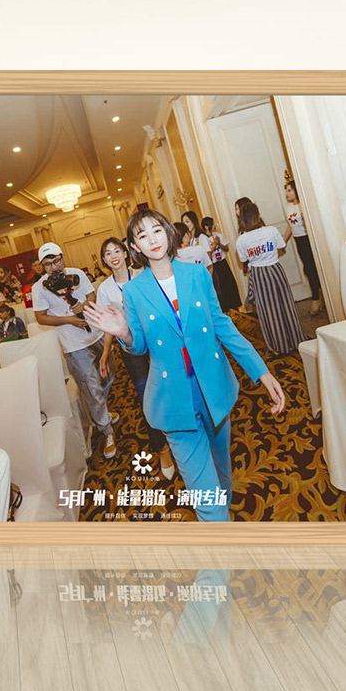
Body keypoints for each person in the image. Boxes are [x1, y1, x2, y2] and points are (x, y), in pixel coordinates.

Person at [83, 209, 286, 522]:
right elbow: (140, 345)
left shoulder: (197, 274)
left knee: (222, 468)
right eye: (141, 236)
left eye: (156, 230)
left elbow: (222, 325)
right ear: (134, 247)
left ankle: (224, 515)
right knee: (205, 496)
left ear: (167, 231)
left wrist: (262, 371)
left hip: (213, 386)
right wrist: (124, 333)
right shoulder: (134, 291)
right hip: (173, 398)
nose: (152, 240)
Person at [96, 237, 176, 479]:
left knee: (171, 385)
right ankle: (162, 448)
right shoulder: (105, 290)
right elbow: (109, 326)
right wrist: (106, 352)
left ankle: (179, 434)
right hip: (129, 347)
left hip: (156, 339)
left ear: (125, 252)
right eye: (108, 253)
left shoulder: (143, 274)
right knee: (146, 395)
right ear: (104, 260)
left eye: (116, 250)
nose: (113, 256)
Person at [32, 242, 117, 460]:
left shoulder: (76, 274)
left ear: (62, 257)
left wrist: (84, 306)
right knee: (91, 387)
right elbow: (40, 317)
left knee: (109, 376)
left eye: (56, 261)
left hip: (96, 333)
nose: (54, 267)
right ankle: (106, 429)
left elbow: (91, 296)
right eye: (48, 264)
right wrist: (69, 319)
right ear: (42, 267)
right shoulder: (39, 288)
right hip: (74, 345)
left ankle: (101, 412)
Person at [236, 202, 307, 355]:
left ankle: (279, 346)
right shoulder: (271, 230)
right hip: (275, 269)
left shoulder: (241, 240)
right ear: (258, 215)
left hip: (259, 274)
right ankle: (296, 340)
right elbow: (281, 247)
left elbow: (243, 259)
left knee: (268, 311)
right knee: (286, 304)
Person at [283, 180, 323, 315]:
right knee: (308, 269)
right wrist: (284, 241)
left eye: (289, 190)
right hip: (298, 240)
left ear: (296, 191)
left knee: (312, 268)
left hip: (308, 239)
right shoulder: (289, 208)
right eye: (286, 191)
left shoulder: (303, 205)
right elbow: (290, 225)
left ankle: (317, 298)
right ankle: (319, 294)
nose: (287, 193)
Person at [200, 216, 241, 313]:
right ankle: (225, 311)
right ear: (206, 227)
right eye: (213, 224)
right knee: (220, 289)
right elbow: (207, 253)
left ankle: (235, 309)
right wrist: (214, 244)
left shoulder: (218, 235)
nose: (215, 225)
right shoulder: (203, 238)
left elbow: (226, 248)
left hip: (223, 263)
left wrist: (219, 244)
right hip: (214, 266)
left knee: (230, 285)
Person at [234, 197, 256, 313]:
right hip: (250, 265)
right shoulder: (242, 227)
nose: (236, 212)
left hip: (256, 265)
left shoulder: (252, 226)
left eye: (237, 209)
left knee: (251, 300)